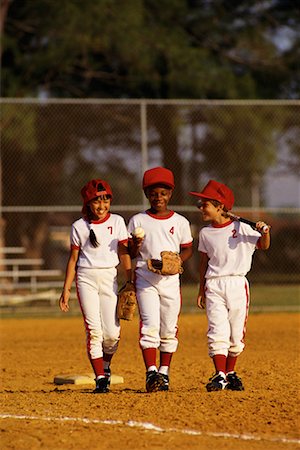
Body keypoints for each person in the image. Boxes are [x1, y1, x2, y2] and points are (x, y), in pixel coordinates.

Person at [189, 180, 270, 392]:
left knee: (236, 334)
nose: (201, 208)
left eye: (205, 204)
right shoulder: (206, 233)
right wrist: (201, 289)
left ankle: (230, 371)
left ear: (220, 206)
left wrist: (264, 231)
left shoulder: (242, 228)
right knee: (217, 330)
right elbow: (203, 263)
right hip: (214, 284)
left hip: (237, 284)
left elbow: (263, 244)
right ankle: (220, 374)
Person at [59, 178, 133, 393]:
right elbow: (73, 259)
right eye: (96, 201)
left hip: (109, 278)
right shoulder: (79, 226)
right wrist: (66, 289)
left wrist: (130, 280)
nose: (102, 206)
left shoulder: (118, 222)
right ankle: (100, 377)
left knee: (112, 334)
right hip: (86, 279)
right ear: (87, 203)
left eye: (106, 200)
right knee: (94, 331)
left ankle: (106, 366)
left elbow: (124, 252)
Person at [128, 167, 193, 392]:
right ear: (147, 194)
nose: (159, 198)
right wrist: (135, 244)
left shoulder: (181, 222)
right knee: (150, 325)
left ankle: (164, 373)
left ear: (170, 194)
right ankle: (151, 372)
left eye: (163, 193)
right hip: (145, 277)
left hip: (170, 280)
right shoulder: (138, 220)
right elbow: (132, 252)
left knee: (168, 327)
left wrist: (178, 261)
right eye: (154, 193)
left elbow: (187, 249)